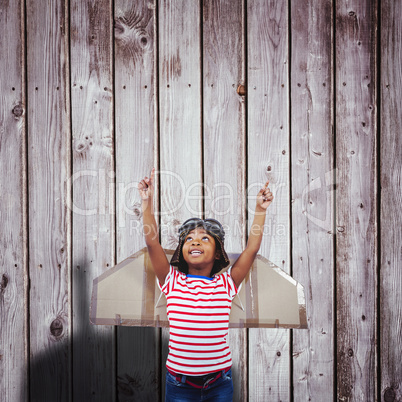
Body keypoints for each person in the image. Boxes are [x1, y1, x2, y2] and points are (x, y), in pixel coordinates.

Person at [138, 168, 273, 402]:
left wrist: (260, 210)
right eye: (189, 239)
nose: (195, 241)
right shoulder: (172, 281)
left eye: (204, 238)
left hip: (219, 383)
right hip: (179, 385)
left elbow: (251, 248)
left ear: (217, 251)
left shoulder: (226, 284)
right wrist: (147, 203)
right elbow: (152, 243)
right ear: (182, 250)